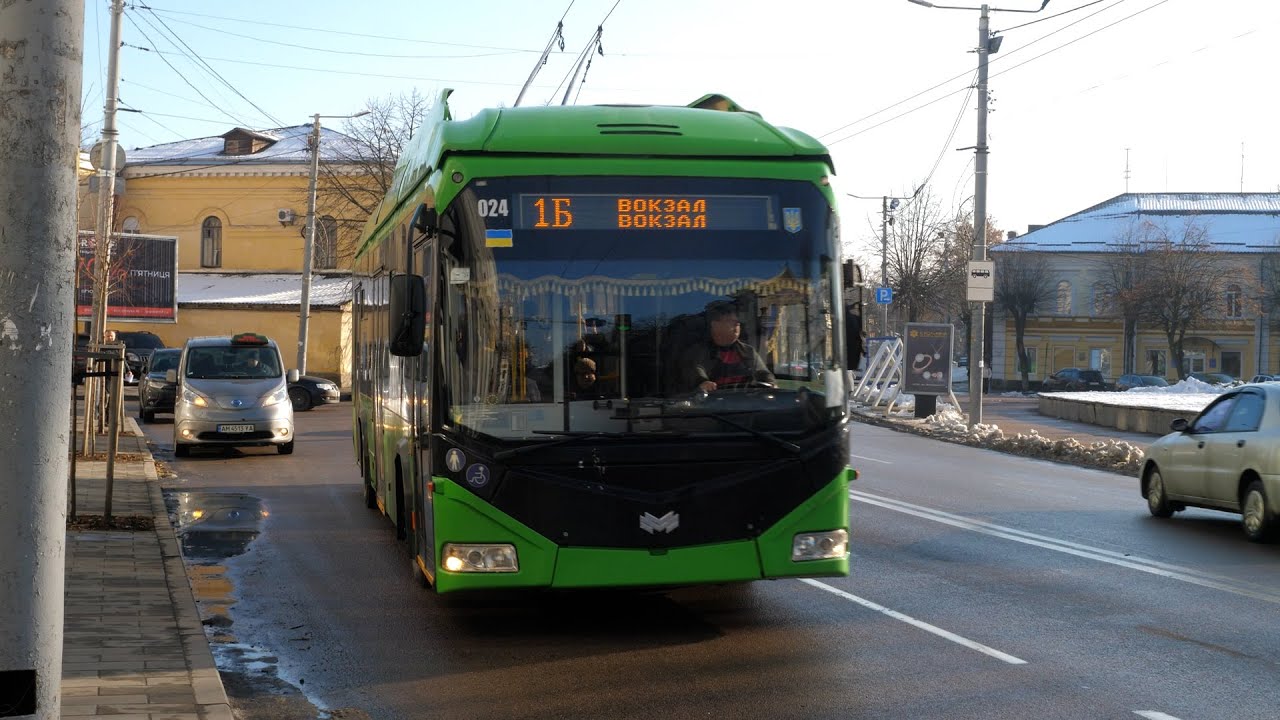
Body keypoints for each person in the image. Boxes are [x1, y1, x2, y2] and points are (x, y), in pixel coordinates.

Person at [680, 302, 774, 392]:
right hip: (712, 405)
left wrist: (769, 382)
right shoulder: (698, 352)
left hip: (746, 403)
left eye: (738, 322)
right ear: (715, 324)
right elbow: (696, 372)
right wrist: (703, 383)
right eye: (730, 321)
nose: (737, 324)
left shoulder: (747, 351)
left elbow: (763, 374)